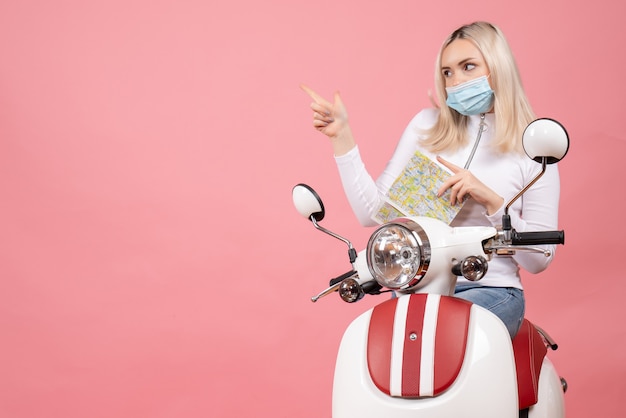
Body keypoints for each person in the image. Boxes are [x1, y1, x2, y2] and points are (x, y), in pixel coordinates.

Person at [301, 21, 560, 338]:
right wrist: (341, 137)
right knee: (375, 344)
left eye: (468, 67)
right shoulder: (427, 126)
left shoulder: (532, 146)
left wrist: (492, 201)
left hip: (491, 290)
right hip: (419, 287)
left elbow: (540, 259)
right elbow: (371, 213)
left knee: (436, 337)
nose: (456, 81)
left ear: (499, 68)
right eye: (448, 72)